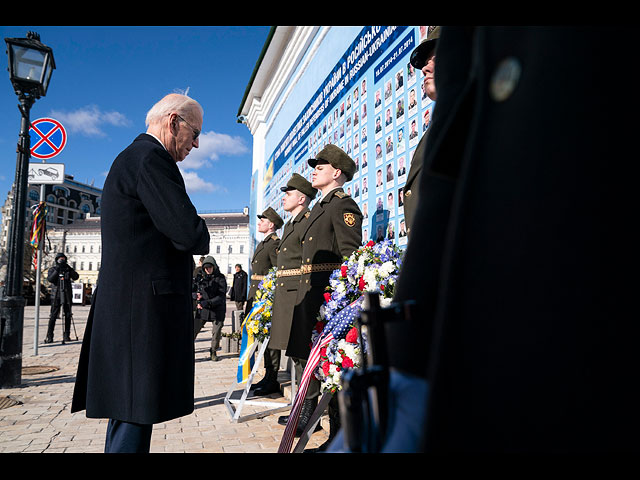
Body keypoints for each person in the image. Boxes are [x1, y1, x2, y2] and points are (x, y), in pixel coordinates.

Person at [374, 26, 639, 453]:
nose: (425, 66)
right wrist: (409, 362)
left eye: (432, 56)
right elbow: (441, 204)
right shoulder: (458, 90)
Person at [71, 93, 210, 453]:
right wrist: (197, 230)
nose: (195, 143)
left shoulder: (133, 158)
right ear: (174, 121)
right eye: (194, 132)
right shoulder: (151, 159)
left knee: (128, 411)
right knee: (133, 411)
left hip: (129, 309)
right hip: (140, 315)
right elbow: (190, 233)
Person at [287, 144, 362, 449]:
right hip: (312, 295)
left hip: (329, 301)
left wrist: (342, 302)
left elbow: (351, 257)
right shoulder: (320, 206)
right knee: (319, 367)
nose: (314, 170)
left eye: (321, 166)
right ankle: (332, 434)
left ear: (337, 173)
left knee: (334, 369)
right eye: (314, 166)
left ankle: (340, 438)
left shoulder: (341, 205)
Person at [261, 174, 317, 412]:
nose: (284, 198)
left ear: (302, 198)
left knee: (303, 354)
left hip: (297, 294)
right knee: (295, 353)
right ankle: (301, 405)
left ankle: (307, 409)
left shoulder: (307, 221)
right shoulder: (294, 223)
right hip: (287, 295)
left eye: (289, 194)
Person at [402, 26, 440, 236]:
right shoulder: (435, 131)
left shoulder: (481, 115)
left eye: (435, 58)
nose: (425, 68)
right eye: (425, 62)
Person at [246, 207, 283, 394]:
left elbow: (277, 272)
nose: (259, 222)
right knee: (262, 339)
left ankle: (272, 378)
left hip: (266, 300)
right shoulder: (263, 243)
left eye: (263, 220)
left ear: (272, 225)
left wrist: (270, 297)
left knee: (270, 340)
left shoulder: (274, 244)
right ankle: (267, 376)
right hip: (257, 297)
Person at [194, 256, 227, 361]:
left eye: (210, 267)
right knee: (193, 329)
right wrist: (195, 295)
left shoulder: (220, 278)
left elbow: (221, 296)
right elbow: (193, 288)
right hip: (203, 308)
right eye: (206, 268)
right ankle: (188, 350)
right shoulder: (200, 277)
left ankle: (213, 351)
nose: (208, 270)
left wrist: (207, 302)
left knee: (216, 332)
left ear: (214, 267)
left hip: (217, 309)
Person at [44, 252, 79, 344]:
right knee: (53, 315)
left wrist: (68, 268)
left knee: (68, 315)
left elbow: (76, 277)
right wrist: (58, 269)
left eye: (63, 259)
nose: (61, 260)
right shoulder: (53, 269)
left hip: (67, 295)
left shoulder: (68, 269)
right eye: (60, 259)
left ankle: (67, 335)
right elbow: (50, 279)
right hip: (56, 295)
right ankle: (50, 336)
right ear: (56, 260)